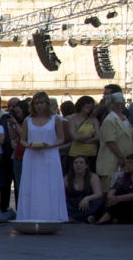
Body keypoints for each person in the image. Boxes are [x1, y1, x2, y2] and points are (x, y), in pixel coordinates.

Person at [16, 91, 68, 222]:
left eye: (42, 103)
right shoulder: (28, 120)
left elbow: (62, 139)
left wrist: (49, 146)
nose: (39, 105)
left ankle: (51, 216)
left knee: (49, 185)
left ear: (47, 104)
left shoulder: (55, 118)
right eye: (37, 103)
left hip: (50, 155)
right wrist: (29, 146)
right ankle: (31, 216)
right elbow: (22, 139)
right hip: (32, 156)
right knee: (32, 185)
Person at [95, 92, 132, 187]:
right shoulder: (110, 119)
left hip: (125, 160)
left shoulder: (123, 117)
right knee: (110, 189)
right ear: (119, 104)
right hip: (113, 161)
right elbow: (110, 141)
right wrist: (120, 156)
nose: (124, 103)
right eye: (123, 100)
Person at [63, 156, 103, 224]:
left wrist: (87, 198)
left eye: (81, 163)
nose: (78, 164)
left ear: (86, 166)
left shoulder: (93, 177)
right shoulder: (66, 178)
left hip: (87, 206)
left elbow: (99, 194)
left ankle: (72, 218)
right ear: (72, 166)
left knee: (98, 204)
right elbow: (61, 195)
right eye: (76, 163)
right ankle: (85, 219)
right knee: (62, 206)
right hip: (71, 206)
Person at [66, 95, 100, 171]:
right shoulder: (72, 120)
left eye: (92, 104)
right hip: (75, 154)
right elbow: (75, 138)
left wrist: (81, 139)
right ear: (81, 104)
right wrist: (91, 135)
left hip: (91, 154)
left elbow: (98, 137)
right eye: (88, 103)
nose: (90, 106)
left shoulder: (94, 120)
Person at [96, 154, 133, 224]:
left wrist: (118, 198)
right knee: (119, 191)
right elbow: (114, 188)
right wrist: (110, 196)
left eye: (130, 162)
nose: (127, 164)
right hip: (125, 206)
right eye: (127, 162)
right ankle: (107, 216)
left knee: (120, 192)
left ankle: (109, 218)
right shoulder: (124, 175)